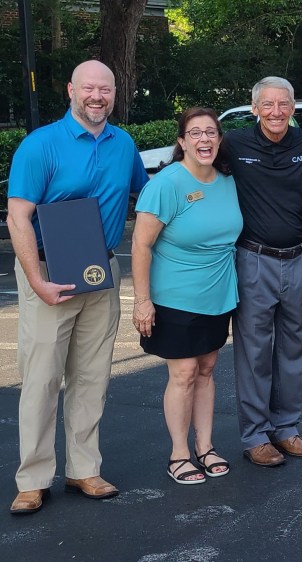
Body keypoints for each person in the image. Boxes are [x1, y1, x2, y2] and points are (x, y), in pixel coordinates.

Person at [7, 60, 148, 514]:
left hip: (101, 274)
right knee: (42, 380)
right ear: (71, 90)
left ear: (115, 93)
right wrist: (37, 281)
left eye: (105, 89)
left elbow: (146, 197)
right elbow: (18, 217)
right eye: (89, 88)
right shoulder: (40, 145)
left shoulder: (123, 144)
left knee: (92, 378)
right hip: (49, 273)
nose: (97, 97)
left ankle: (84, 469)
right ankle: (33, 479)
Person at [131, 108, 241, 484]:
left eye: (211, 132)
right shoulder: (167, 184)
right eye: (195, 133)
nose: (204, 139)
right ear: (182, 142)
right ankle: (179, 454)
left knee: (206, 370)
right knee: (183, 373)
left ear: (219, 140)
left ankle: (205, 447)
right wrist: (142, 301)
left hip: (219, 294)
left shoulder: (228, 181)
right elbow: (141, 245)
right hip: (174, 297)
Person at [222, 77, 302, 467]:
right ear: (254, 108)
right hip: (253, 259)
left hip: (300, 258)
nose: (276, 112)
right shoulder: (234, 144)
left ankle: (287, 429)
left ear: (293, 107)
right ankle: (255, 436)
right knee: (254, 353)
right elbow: (197, 171)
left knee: (295, 350)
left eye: (283, 104)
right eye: (268, 104)